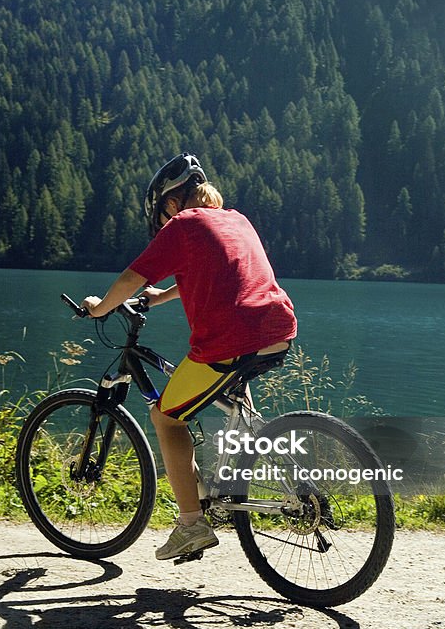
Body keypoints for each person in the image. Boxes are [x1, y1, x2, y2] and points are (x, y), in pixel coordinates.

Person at [81, 153, 297, 560]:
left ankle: (191, 524)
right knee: (230, 392)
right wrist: (162, 297)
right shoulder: (236, 219)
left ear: (172, 202)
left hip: (229, 340)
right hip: (278, 329)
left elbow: (131, 278)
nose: (164, 218)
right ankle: (234, 472)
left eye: (162, 211)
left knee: (166, 417)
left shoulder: (182, 225)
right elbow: (218, 267)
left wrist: (101, 307)